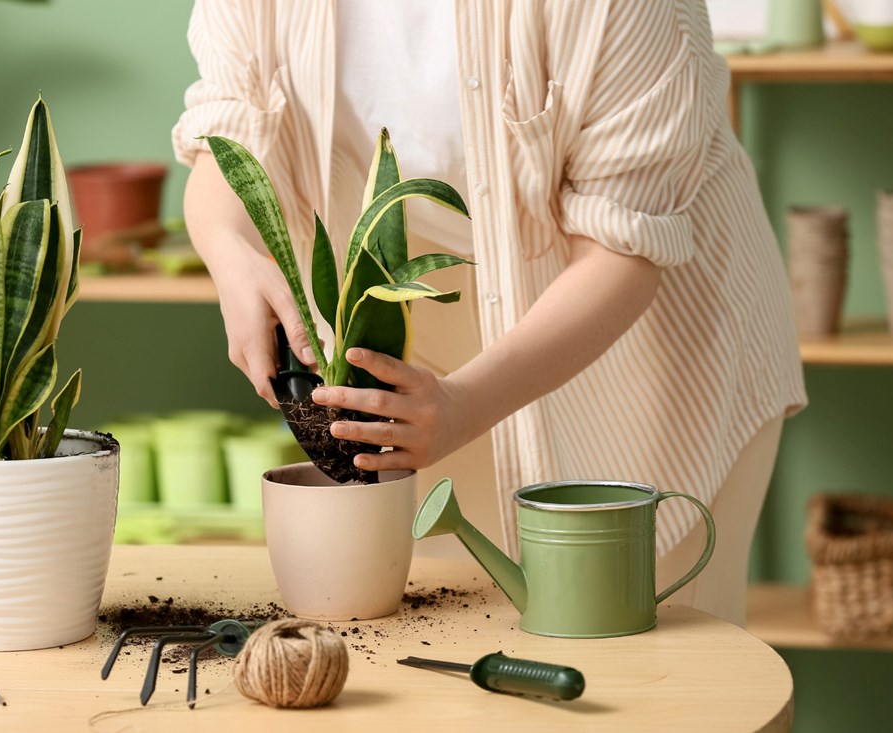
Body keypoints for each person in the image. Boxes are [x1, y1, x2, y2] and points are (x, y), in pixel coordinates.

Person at [174, 1, 807, 627]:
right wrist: (230, 253)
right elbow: (226, 129)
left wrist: (464, 406)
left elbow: (625, 248)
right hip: (428, 328)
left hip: (643, 343)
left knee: (646, 667)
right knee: (456, 645)